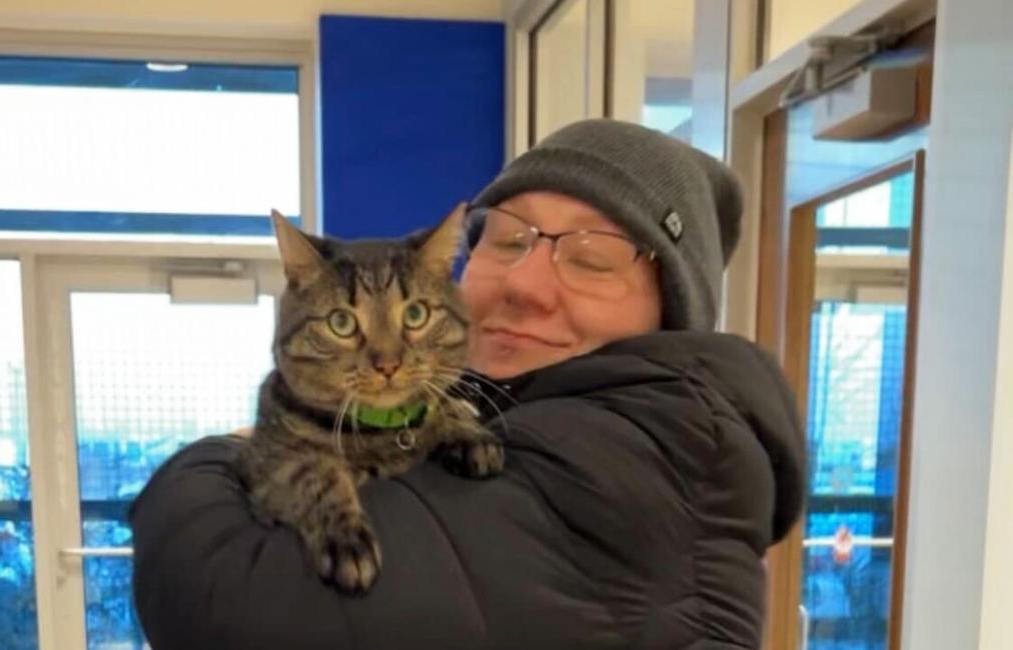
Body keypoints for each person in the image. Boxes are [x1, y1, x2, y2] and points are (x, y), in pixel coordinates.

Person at [130, 119, 806, 650]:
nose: (525, 284)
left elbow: (228, 607)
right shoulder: (500, 404)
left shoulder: (648, 454)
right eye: (507, 242)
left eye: (592, 259)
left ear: (673, 313)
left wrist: (210, 458)